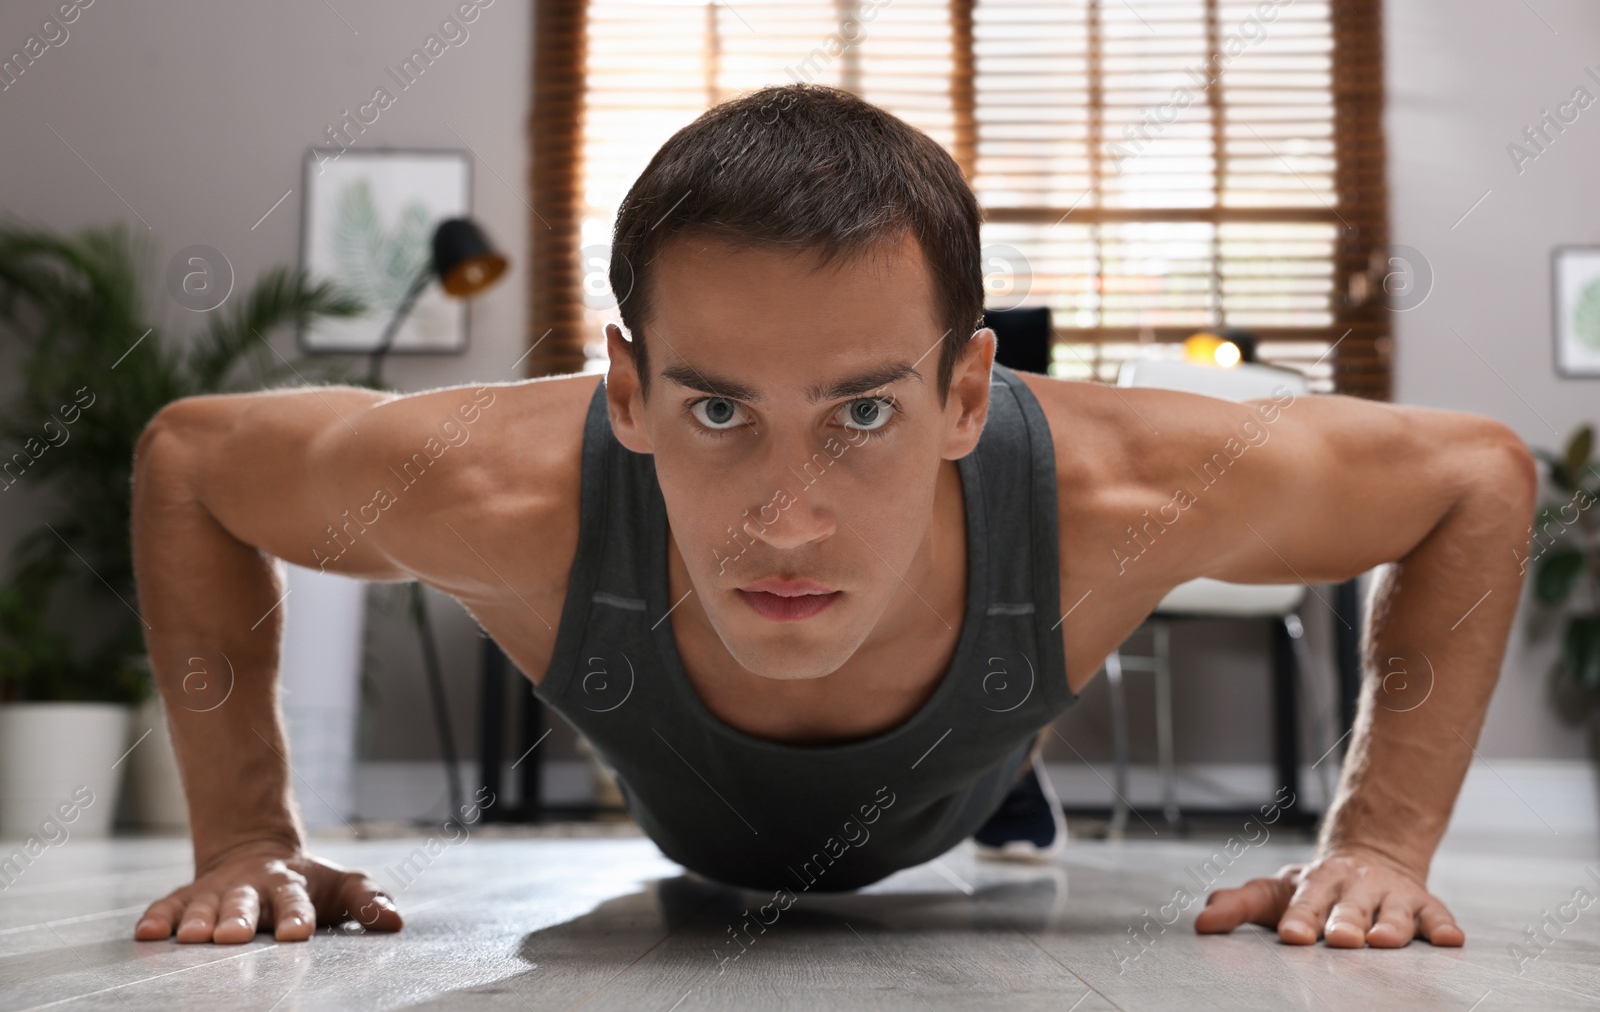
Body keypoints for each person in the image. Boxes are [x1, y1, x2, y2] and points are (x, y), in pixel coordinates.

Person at [129, 84, 1534, 951]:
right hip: (689, 825)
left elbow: (1474, 476)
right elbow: (191, 459)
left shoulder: (1120, 487)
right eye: (717, 412)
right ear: (624, 389)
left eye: (864, 412)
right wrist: (247, 837)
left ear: (968, 393)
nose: (785, 525)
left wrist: (1381, 845)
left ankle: (1002, 768)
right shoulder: (498, 487)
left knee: (982, 763)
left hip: (963, 772)